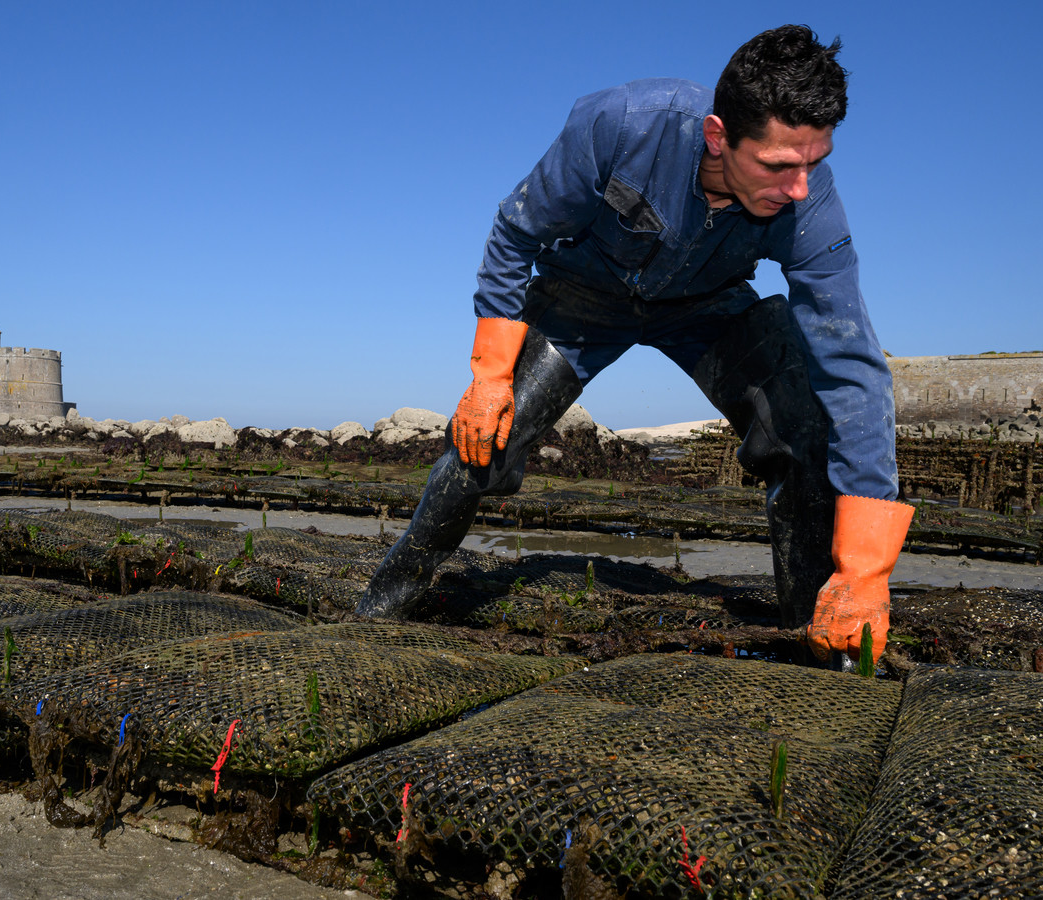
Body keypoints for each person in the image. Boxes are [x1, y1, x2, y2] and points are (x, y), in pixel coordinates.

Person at [355, 24, 913, 667]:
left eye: (814, 163)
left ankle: (821, 638)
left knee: (807, 434)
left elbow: (852, 367)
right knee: (483, 439)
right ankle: (382, 608)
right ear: (716, 135)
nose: (799, 188)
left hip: (710, 308)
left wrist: (868, 567)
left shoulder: (810, 206)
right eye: (779, 165)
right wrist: (488, 375)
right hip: (585, 301)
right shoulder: (620, 125)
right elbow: (515, 235)